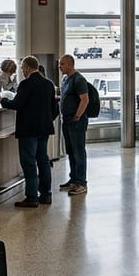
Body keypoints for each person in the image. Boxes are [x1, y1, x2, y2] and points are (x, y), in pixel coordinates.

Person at [0, 56, 57, 207]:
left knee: (29, 162)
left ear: (29, 68)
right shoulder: (49, 84)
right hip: (44, 128)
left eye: (23, 68)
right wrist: (46, 120)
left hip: (28, 129)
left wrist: (2, 101)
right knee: (43, 160)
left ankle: (31, 196)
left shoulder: (26, 84)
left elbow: (17, 104)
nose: (22, 71)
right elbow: (55, 109)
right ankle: (46, 194)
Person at [57, 54, 90, 196]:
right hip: (67, 120)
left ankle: (81, 183)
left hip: (76, 121)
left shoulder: (79, 79)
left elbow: (85, 99)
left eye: (62, 64)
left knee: (79, 151)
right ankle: (74, 179)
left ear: (70, 65)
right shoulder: (66, 80)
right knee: (70, 151)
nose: (60, 67)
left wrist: (77, 115)